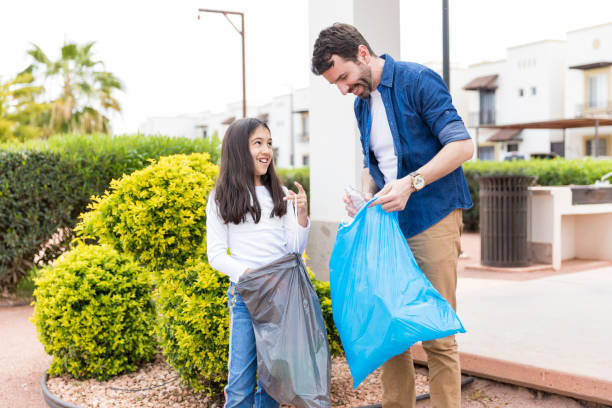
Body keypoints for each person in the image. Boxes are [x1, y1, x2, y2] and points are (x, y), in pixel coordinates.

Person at [312, 23, 474, 408]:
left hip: (432, 217)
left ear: (363, 54)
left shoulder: (418, 81)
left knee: (438, 333)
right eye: (336, 84)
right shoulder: (361, 104)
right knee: (391, 334)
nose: (344, 89)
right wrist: (366, 196)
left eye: (346, 78)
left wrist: (411, 183)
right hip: (388, 226)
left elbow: (462, 146)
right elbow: (379, 165)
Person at [206, 118, 310, 408]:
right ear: (240, 149)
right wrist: (249, 274)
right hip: (246, 296)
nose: (266, 150)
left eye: (269, 143)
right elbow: (215, 254)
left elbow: (294, 250)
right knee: (239, 385)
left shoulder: (280, 194)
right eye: (258, 143)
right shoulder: (220, 198)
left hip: (280, 296)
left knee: (272, 386)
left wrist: (301, 216)